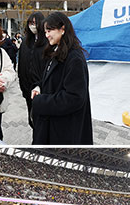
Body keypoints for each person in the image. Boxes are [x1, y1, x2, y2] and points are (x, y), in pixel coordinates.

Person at [30, 12, 93, 145]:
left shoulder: (74, 58)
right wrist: (38, 87)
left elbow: (74, 98)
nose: (47, 35)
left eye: (50, 30)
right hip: (52, 121)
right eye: (45, 31)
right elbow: (49, 78)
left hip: (65, 128)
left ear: (62, 29)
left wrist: (41, 101)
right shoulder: (56, 50)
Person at [18, 12, 47, 129]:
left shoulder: (47, 42)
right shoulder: (25, 42)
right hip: (27, 87)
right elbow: (21, 64)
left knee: (42, 119)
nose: (33, 26)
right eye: (30, 23)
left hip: (42, 89)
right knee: (31, 117)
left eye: (35, 23)